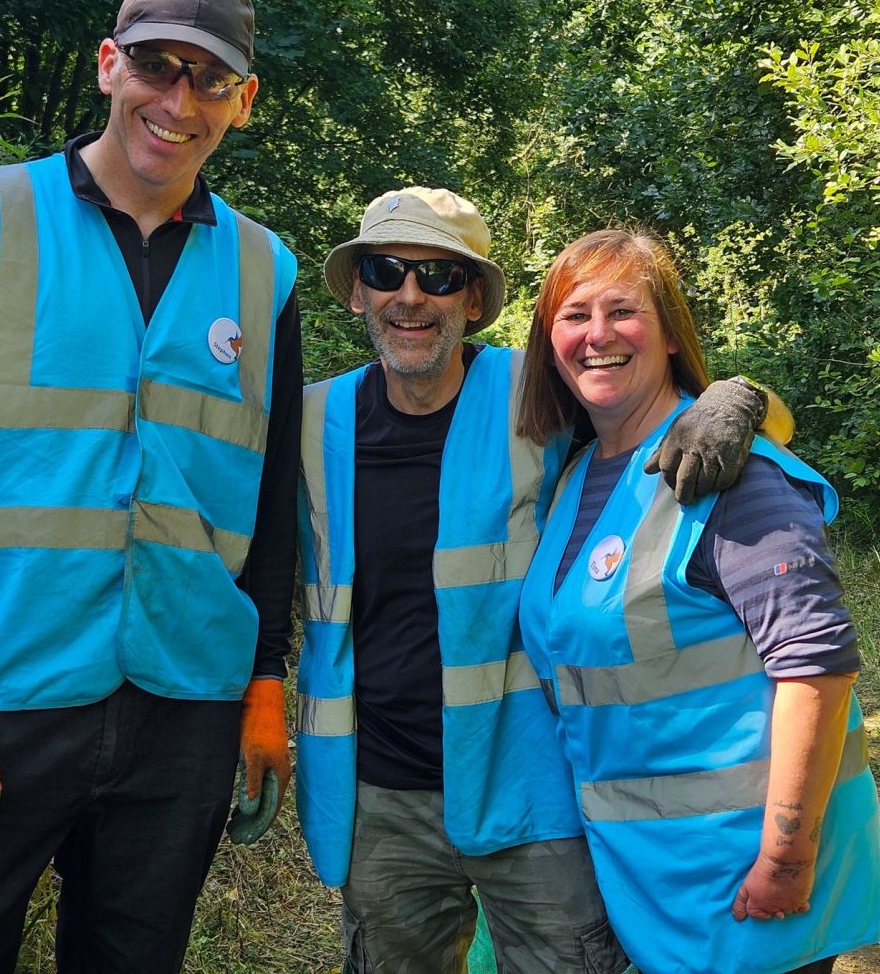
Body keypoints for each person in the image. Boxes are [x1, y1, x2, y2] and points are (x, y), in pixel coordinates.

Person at [0, 0, 301, 972]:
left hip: (183, 706)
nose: (177, 101)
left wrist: (263, 680)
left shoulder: (263, 271)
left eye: (211, 79)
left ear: (244, 101)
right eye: (156, 65)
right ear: (109, 65)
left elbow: (269, 501)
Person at [294, 188, 774, 973]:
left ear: (474, 298)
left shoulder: (539, 394)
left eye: (440, 277)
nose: (410, 296)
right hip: (380, 798)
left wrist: (735, 399)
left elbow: (651, 397)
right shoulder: (311, 420)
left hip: (538, 781)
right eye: (386, 271)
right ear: (357, 290)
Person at [517, 229, 880, 974]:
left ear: (671, 334)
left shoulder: (735, 474)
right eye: (573, 314)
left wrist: (787, 854)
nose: (597, 335)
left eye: (623, 311)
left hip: (751, 879)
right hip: (650, 872)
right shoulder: (577, 472)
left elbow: (815, 667)